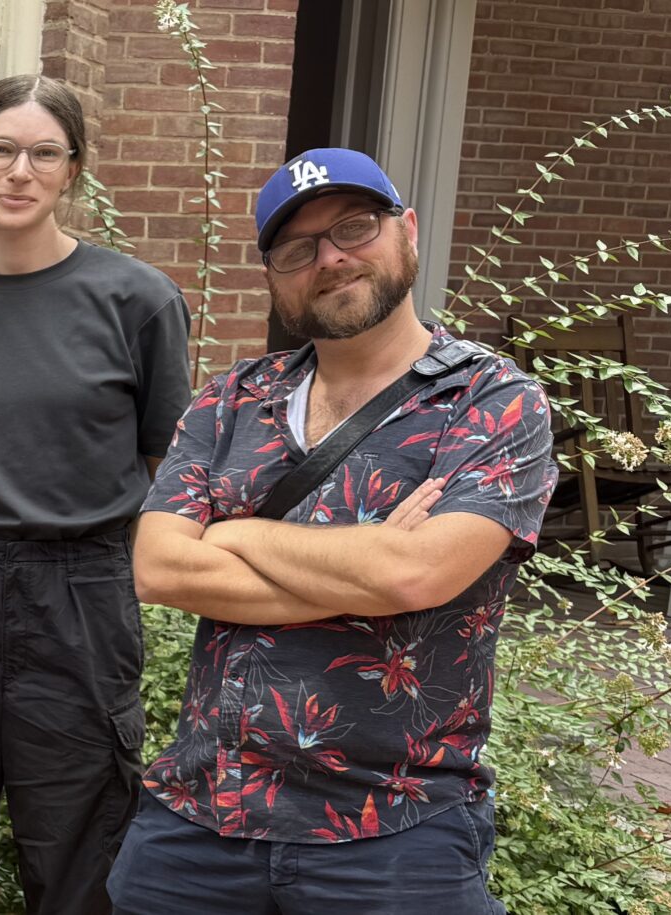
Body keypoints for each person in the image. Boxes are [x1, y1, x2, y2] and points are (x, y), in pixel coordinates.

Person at [108, 148, 553, 913]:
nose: (332, 258)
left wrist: (232, 534)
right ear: (275, 277)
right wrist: (367, 562)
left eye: (355, 226)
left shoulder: (491, 401)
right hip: (198, 821)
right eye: (298, 247)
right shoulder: (232, 401)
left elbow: (414, 577)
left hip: (394, 829)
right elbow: (158, 567)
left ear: (407, 230)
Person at [0, 74, 192, 915]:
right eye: (0, 150)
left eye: (43, 153)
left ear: (71, 172)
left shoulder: (139, 301)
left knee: (80, 857)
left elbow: (174, 465)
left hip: (83, 589)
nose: (19, 171)